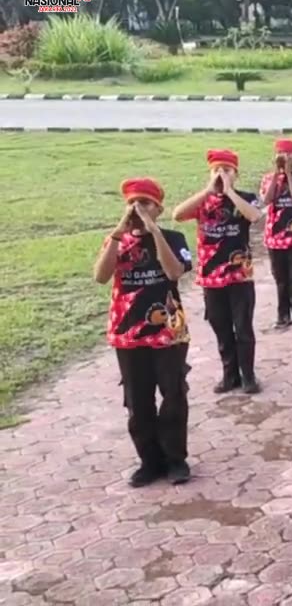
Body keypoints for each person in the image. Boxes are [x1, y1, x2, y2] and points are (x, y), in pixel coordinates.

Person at [94, 178, 195, 487]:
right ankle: (149, 461)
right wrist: (119, 232)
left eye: (145, 203)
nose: (138, 210)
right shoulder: (116, 240)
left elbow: (174, 272)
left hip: (167, 332)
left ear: (159, 209)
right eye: (132, 204)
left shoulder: (174, 237)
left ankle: (176, 459)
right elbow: (100, 276)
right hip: (128, 334)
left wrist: (154, 232)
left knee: (173, 395)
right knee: (137, 401)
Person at [174, 150, 264, 394]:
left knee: (243, 327)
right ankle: (229, 374)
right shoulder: (203, 202)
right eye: (216, 169)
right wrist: (208, 191)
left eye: (227, 170)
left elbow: (255, 216)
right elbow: (177, 214)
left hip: (239, 276)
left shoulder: (245, 198)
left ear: (236, 174)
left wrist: (230, 192)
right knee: (221, 327)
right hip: (211, 279)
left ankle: (248, 375)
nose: (221, 174)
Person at [261, 139, 292, 328]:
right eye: (280, 154)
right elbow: (267, 199)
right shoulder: (268, 178)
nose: (284, 158)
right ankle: (283, 314)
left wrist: (288, 174)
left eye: (288, 154)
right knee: (280, 277)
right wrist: (276, 174)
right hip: (274, 234)